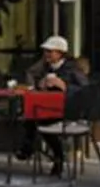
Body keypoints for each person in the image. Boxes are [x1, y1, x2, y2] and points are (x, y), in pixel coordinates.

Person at [17, 34, 89, 176]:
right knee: (31, 115)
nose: (46, 54)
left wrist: (65, 86)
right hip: (48, 108)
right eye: (45, 51)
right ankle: (33, 148)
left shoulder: (73, 68)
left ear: (60, 53)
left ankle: (46, 153)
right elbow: (32, 77)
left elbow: (85, 90)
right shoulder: (44, 66)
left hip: (68, 111)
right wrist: (40, 84)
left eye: (50, 51)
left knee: (40, 121)